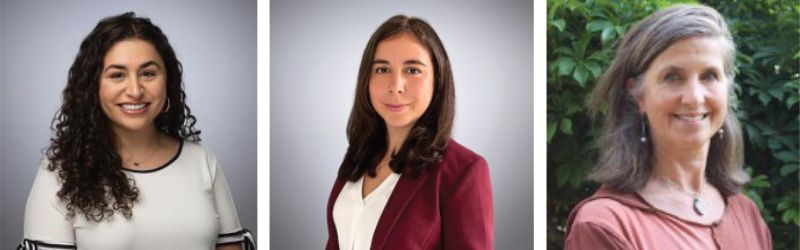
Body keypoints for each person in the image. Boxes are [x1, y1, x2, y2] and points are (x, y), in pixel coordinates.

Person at [18, 12, 254, 250]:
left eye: (148, 73)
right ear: (93, 86)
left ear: (168, 80)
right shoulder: (61, 173)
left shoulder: (204, 161)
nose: (135, 90)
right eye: (117, 75)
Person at [564, 4, 771, 249]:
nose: (694, 97)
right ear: (638, 95)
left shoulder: (746, 213)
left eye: (709, 76)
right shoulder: (605, 225)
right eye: (672, 77)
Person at [325, 15, 494, 250]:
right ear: (367, 79)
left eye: (413, 70)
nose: (395, 86)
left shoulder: (463, 171)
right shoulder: (358, 157)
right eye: (382, 69)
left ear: (438, 80)